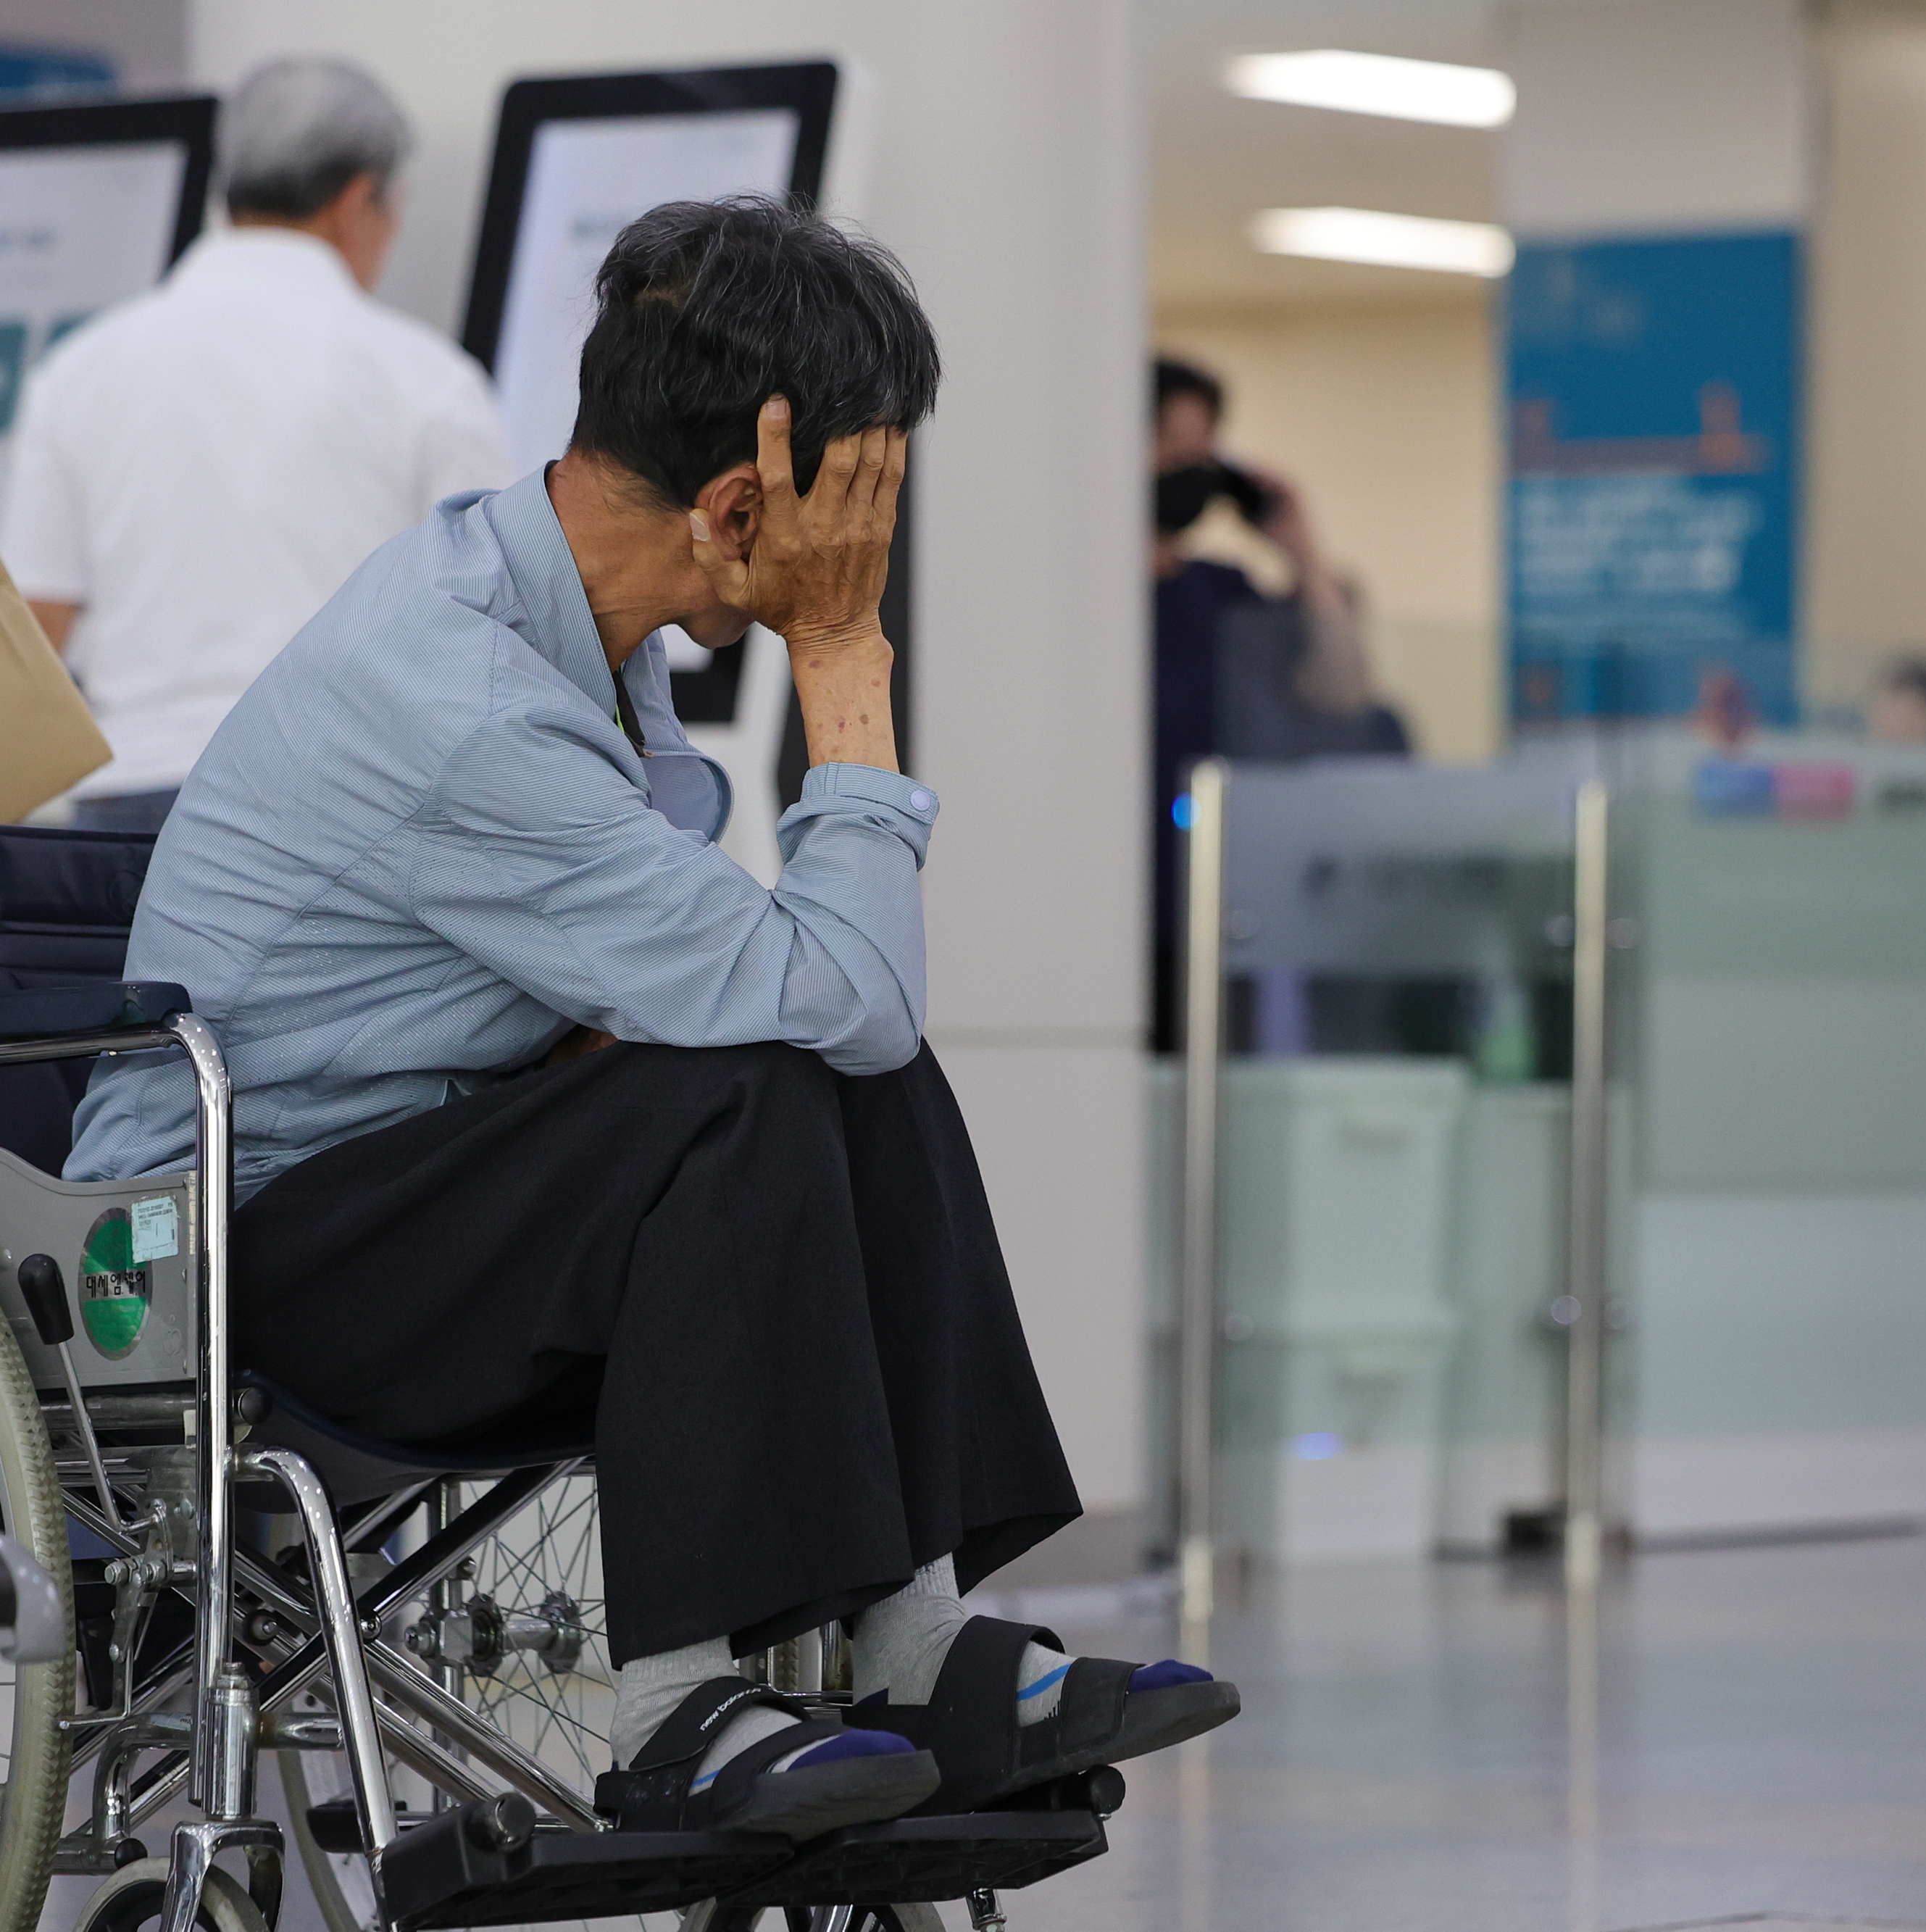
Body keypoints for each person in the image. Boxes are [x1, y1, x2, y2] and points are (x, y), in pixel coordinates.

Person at [63, 198, 1234, 1839]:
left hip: (424, 1174)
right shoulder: (468, 693)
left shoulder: (566, 632)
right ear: (744, 499)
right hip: (243, 1247)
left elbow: (834, 1016)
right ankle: (681, 1706)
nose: (863, 553)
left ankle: (913, 1643)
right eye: (855, 508)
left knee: (824, 1073)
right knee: (759, 1079)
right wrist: (844, 660)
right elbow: (849, 992)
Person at [1, 56, 509, 833]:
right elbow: (498, 628)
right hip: (346, 806)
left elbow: (32, 638)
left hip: (130, 820)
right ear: (356, 201)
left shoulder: (78, 371)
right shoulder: (425, 380)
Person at [1149, 354, 1397, 1044]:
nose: (1190, 475)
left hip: (1209, 915)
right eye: (1175, 451)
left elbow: (1345, 689)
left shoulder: (1224, 595)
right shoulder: (1080, 594)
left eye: (1205, 456)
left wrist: (1301, 550)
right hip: (1107, 913)